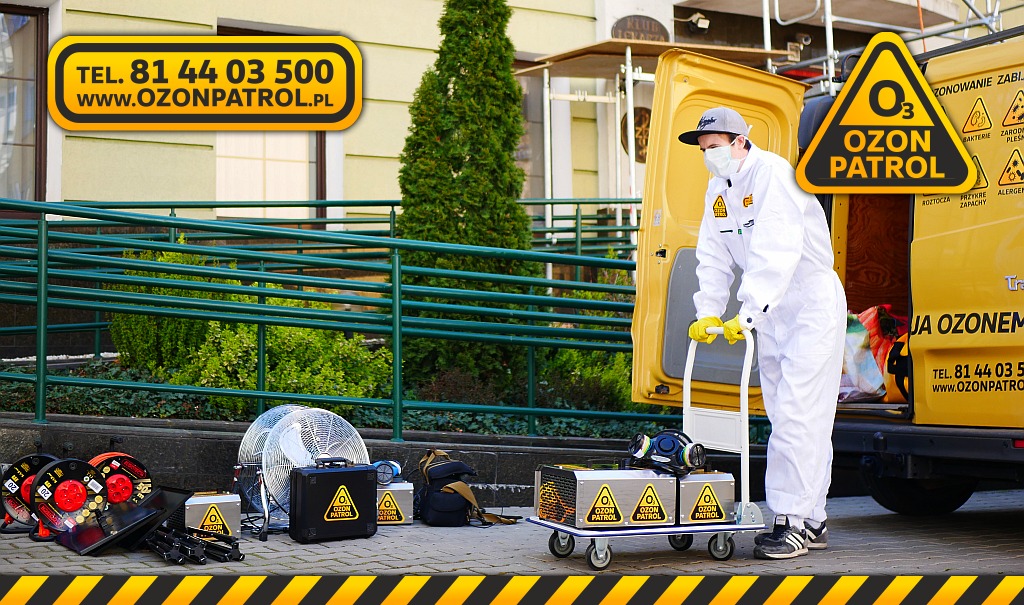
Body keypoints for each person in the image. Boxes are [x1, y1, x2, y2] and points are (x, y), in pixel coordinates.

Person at [678, 106, 846, 560]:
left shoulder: (775, 175)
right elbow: (712, 257)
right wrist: (708, 312)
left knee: (797, 415)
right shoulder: (719, 191)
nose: (709, 155)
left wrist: (747, 312)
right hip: (773, 314)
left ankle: (790, 521)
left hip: (808, 305)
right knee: (789, 416)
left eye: (715, 147)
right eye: (704, 150)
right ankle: (812, 518)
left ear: (739, 141)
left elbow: (777, 249)